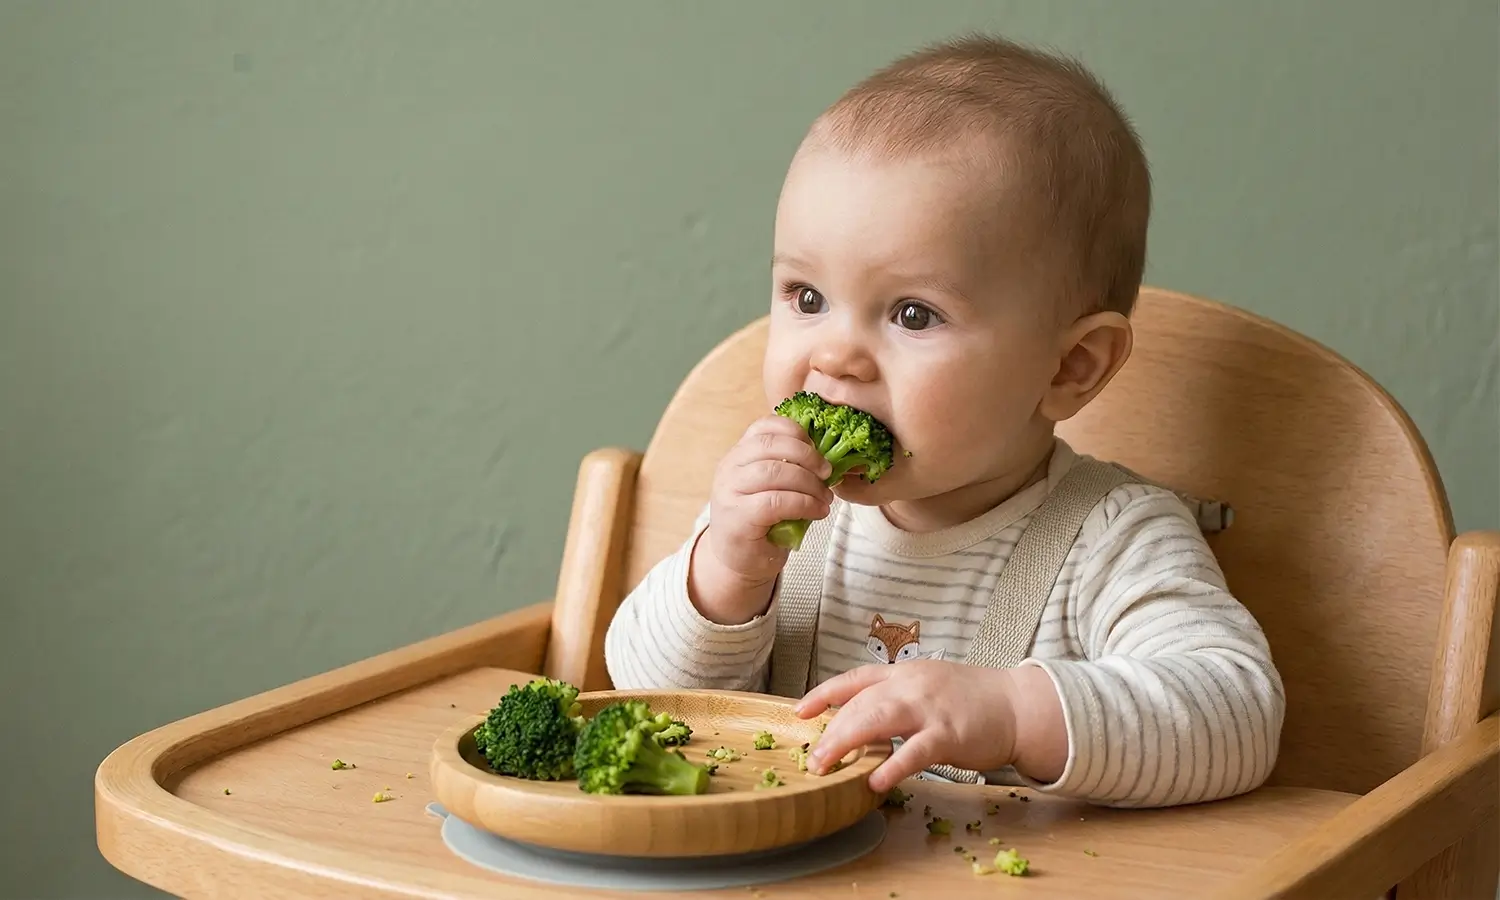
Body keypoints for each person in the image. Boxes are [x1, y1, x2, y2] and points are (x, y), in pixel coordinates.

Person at [603, 33, 1284, 808]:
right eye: (807, 297)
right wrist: (723, 578)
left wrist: (1013, 715)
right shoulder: (778, 522)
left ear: (1072, 366)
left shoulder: (1112, 541)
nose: (836, 355)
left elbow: (1235, 711)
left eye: (913, 313)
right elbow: (644, 694)